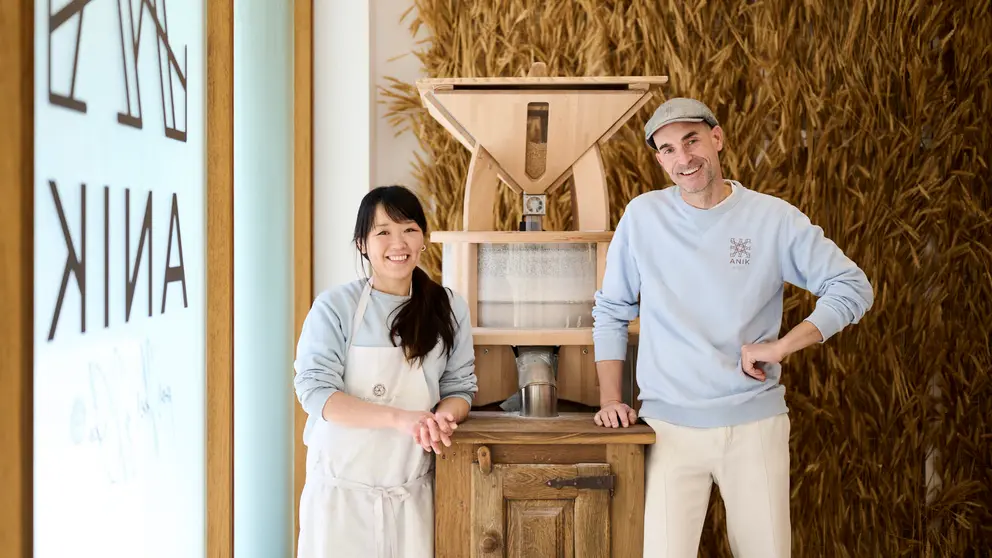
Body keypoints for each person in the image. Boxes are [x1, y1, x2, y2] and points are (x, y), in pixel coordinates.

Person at [590, 98, 874, 558]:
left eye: (692, 140)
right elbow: (612, 310)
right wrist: (610, 400)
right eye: (667, 150)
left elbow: (853, 286)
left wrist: (783, 346)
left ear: (716, 138)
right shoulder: (642, 217)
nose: (684, 159)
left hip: (754, 423)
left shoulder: (773, 218)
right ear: (659, 159)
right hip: (667, 428)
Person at [293, 185, 478, 558]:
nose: (399, 242)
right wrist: (401, 419)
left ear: (423, 237)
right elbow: (316, 393)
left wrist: (440, 420)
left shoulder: (448, 306)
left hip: (411, 495)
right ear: (363, 243)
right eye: (383, 232)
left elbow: (460, 387)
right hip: (339, 500)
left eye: (409, 228)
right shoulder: (335, 306)